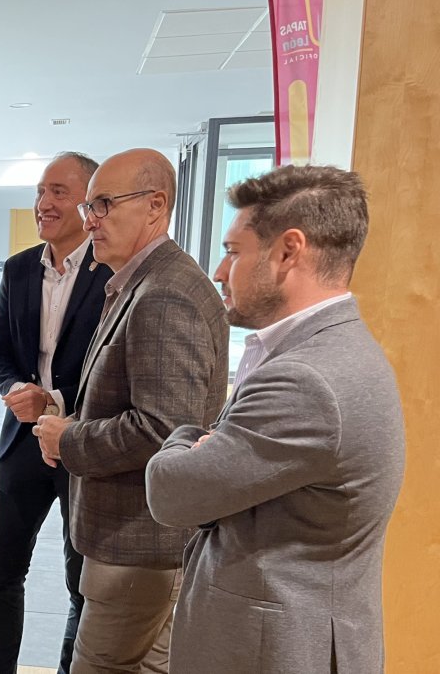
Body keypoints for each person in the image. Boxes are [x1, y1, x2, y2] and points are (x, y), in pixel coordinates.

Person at [146, 165, 406, 673]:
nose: (220, 271)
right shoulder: (329, 350)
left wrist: (186, 436)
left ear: (289, 251)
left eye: (233, 250)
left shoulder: (307, 380)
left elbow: (171, 491)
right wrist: (210, 451)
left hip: (275, 651)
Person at [32, 149, 229, 674]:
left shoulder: (165, 293)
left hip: (138, 544)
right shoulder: (143, 282)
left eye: (102, 203)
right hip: (141, 542)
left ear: (155, 206)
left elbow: (163, 430)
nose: (87, 218)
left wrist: (67, 440)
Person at [0, 152, 112, 674]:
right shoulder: (18, 270)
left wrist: (54, 404)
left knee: (79, 579)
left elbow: (113, 371)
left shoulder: (112, 275)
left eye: (58, 191)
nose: (44, 203)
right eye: (40, 191)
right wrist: (18, 389)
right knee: (4, 570)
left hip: (83, 446)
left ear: (89, 202)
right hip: (22, 444)